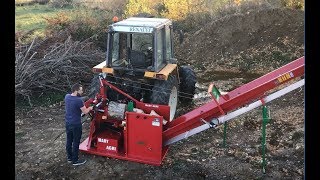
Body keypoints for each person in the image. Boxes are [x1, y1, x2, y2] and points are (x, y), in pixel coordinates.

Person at [64, 83, 93, 166]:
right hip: (76, 124)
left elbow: (74, 104)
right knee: (76, 142)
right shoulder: (78, 101)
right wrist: (90, 108)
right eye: (81, 90)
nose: (82, 92)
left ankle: (69, 158)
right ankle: (75, 161)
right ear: (76, 90)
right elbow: (85, 111)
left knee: (69, 140)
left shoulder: (67, 96)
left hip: (68, 123)